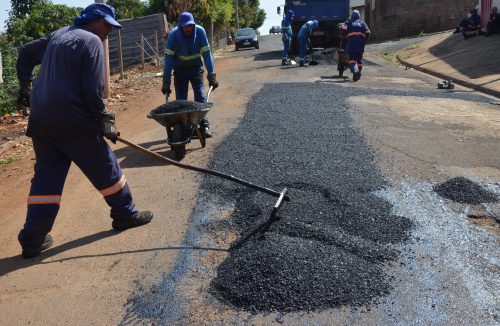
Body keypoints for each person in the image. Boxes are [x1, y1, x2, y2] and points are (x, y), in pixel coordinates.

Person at [15, 3, 153, 259]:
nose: (109, 31)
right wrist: (104, 119)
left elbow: (25, 52)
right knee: (105, 165)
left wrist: (26, 85)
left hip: (41, 121)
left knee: (46, 179)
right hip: (72, 118)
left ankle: (32, 240)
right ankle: (126, 215)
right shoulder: (91, 41)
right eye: (108, 25)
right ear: (95, 20)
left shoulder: (59, 35)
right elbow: (92, 90)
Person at [162, 12, 218, 138]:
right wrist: (166, 82)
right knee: (181, 101)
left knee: (200, 97)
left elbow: (207, 55)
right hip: (180, 70)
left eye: (190, 25)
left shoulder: (200, 32)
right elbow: (169, 60)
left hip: (195, 69)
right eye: (185, 26)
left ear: (194, 24)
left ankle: (204, 126)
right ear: (180, 26)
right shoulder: (173, 36)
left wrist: (212, 75)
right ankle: (184, 128)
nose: (188, 28)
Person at [342, 10, 370, 81]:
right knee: (359, 58)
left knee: (352, 59)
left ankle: (356, 72)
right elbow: (368, 32)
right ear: (358, 16)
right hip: (361, 43)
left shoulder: (348, 22)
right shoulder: (362, 23)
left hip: (352, 43)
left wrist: (346, 36)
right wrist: (364, 40)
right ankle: (358, 74)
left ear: (352, 16)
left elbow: (343, 31)